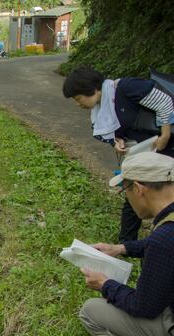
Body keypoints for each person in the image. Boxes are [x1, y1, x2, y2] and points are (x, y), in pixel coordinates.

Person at [78, 152, 174, 336]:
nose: (127, 199)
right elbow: (161, 246)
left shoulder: (164, 239)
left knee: (90, 312)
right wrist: (121, 248)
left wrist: (105, 284)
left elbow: (144, 307)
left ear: (139, 189)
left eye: (126, 191)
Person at [63, 66, 174, 242]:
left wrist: (165, 134)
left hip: (167, 146)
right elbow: (117, 127)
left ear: (92, 89)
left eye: (78, 98)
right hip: (147, 149)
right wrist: (118, 140)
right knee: (133, 191)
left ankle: (160, 240)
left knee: (165, 193)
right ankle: (126, 244)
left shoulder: (126, 87)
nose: (79, 104)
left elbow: (164, 102)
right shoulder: (102, 107)